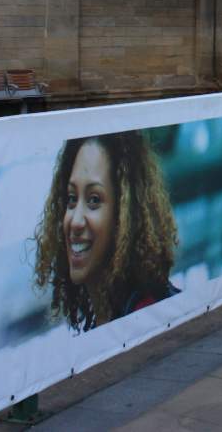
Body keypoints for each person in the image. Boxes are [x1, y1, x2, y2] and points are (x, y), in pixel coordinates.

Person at [34, 131, 180, 333]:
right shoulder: (115, 317)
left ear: (125, 215)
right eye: (71, 198)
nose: (75, 221)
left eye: (94, 200)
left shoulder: (146, 316)